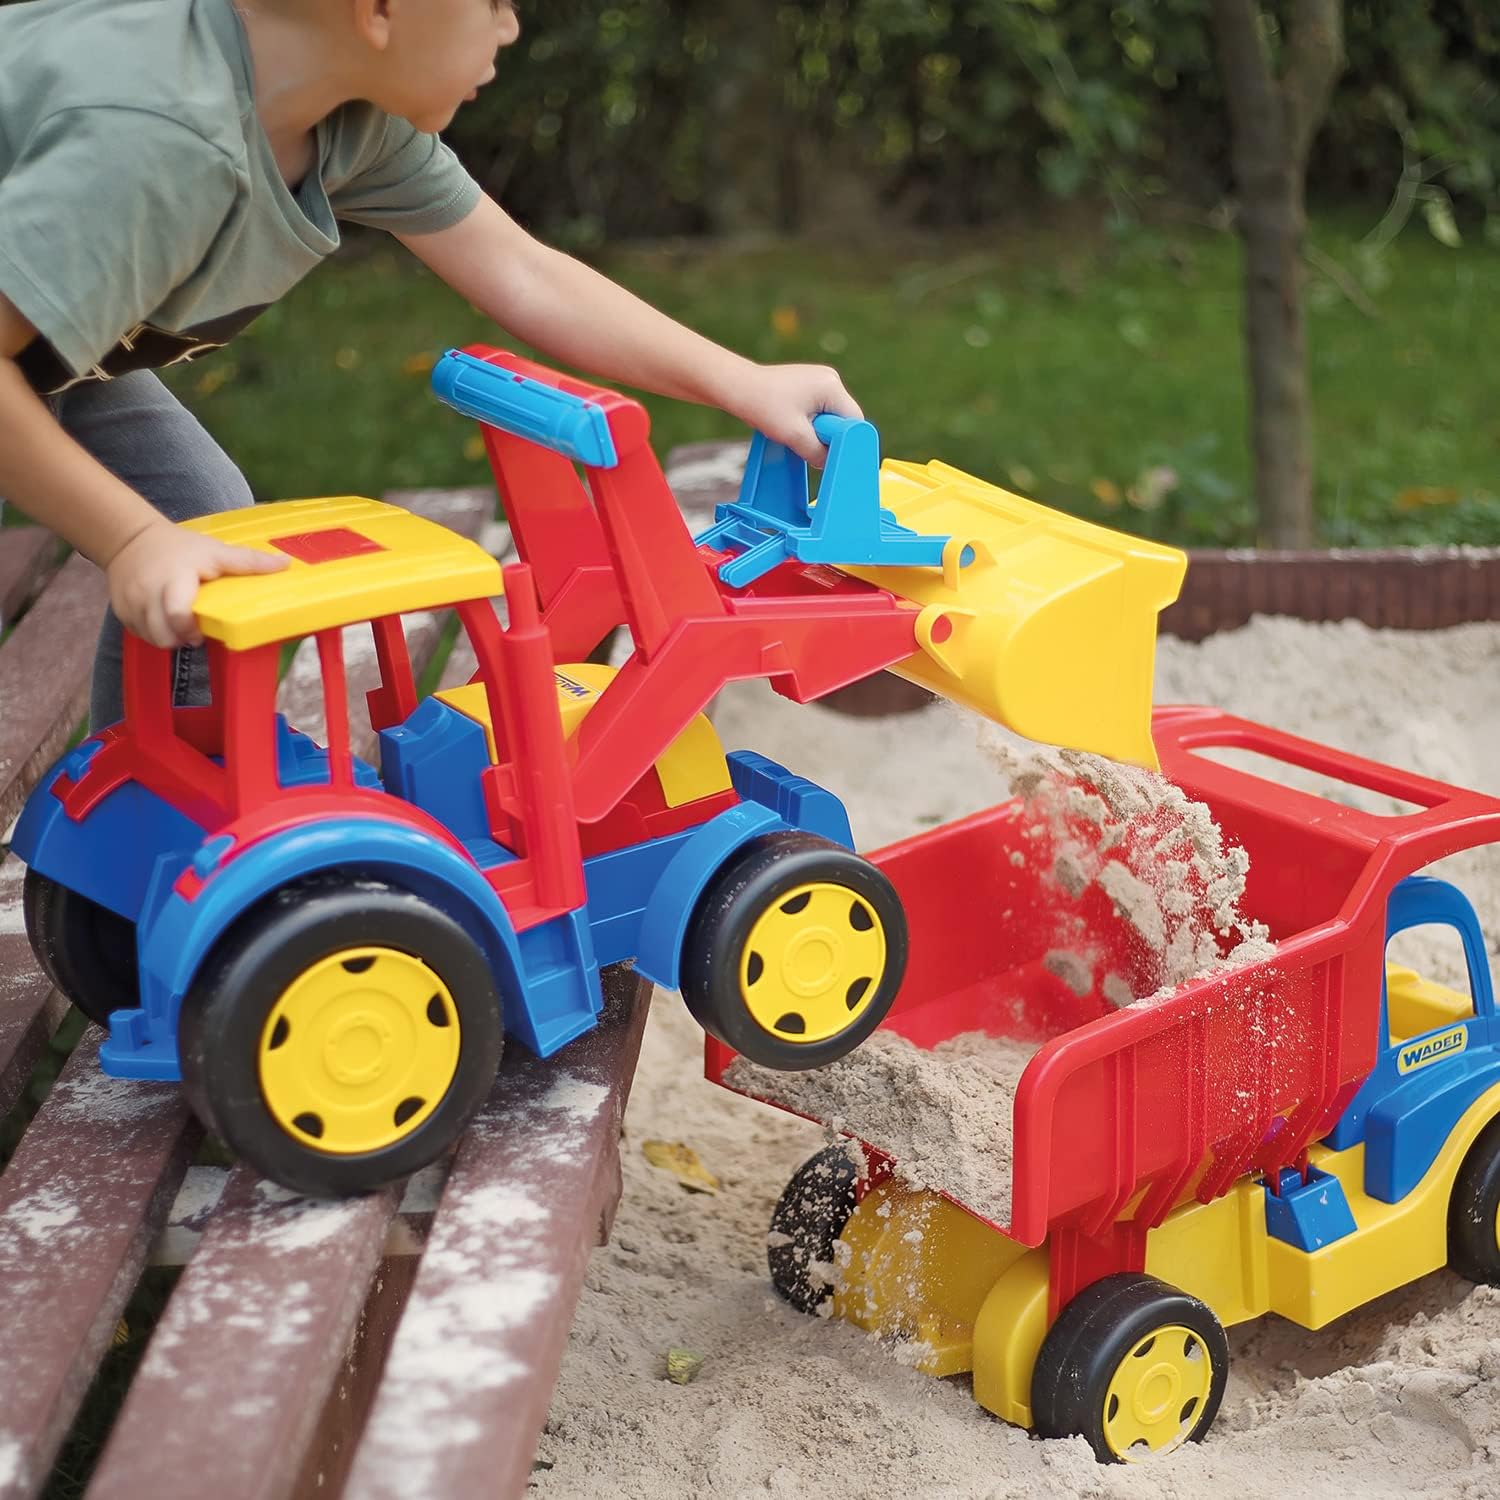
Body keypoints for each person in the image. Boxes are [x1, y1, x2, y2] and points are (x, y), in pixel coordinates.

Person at [0, 0, 860, 727]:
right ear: (377, 11)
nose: (512, 29)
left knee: (198, 516)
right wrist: (131, 538)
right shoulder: (158, 139)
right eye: (495, 2)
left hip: (47, 362)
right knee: (166, 527)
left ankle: (153, 804)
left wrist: (741, 381)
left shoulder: (348, 122)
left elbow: (524, 274)